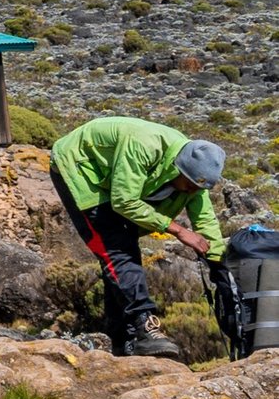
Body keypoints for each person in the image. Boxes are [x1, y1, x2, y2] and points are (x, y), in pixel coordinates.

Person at [51, 116, 227, 360]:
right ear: (179, 167)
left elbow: (205, 219)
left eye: (198, 188)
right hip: (81, 168)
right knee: (117, 250)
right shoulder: (144, 146)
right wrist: (177, 229)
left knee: (124, 251)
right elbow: (124, 200)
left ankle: (124, 343)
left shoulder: (195, 174)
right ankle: (145, 328)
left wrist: (217, 262)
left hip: (117, 181)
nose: (191, 191)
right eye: (188, 185)